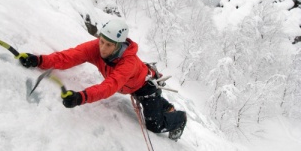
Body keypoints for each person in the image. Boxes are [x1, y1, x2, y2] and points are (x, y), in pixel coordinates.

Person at [19, 18, 187, 141]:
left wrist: (81, 97)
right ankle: (165, 106)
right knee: (151, 104)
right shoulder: (96, 47)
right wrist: (39, 61)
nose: (102, 48)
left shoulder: (126, 63)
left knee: (154, 125)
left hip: (143, 87)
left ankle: (179, 119)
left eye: (108, 45)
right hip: (130, 82)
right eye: (102, 41)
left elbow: (109, 86)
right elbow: (69, 57)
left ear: (119, 45)